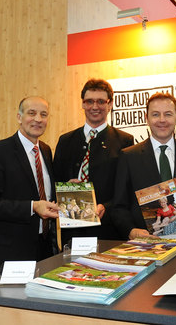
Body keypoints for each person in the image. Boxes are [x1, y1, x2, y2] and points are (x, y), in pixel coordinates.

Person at [0, 96, 59, 283]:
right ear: (19, 117)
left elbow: (42, 192)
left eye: (43, 114)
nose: (38, 119)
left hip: (42, 249)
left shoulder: (45, 151)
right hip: (6, 253)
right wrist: (32, 207)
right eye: (31, 113)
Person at [112, 92, 176, 242]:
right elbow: (118, 206)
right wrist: (130, 230)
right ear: (147, 118)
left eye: (168, 114)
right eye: (155, 114)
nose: (162, 120)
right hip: (146, 246)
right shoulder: (128, 157)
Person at [53, 79, 134, 240]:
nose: (95, 107)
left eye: (101, 101)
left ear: (109, 104)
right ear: (82, 104)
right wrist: (66, 187)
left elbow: (127, 188)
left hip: (109, 229)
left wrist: (107, 206)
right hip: (73, 230)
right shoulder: (65, 140)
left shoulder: (124, 141)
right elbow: (55, 180)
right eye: (89, 101)